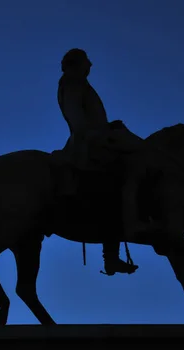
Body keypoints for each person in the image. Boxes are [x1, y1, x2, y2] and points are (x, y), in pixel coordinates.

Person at [55, 48, 151, 275]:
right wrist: (101, 136)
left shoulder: (78, 84)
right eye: (88, 62)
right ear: (77, 64)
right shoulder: (72, 83)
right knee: (119, 179)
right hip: (89, 145)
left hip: (96, 139)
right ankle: (115, 251)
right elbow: (77, 119)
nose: (91, 66)